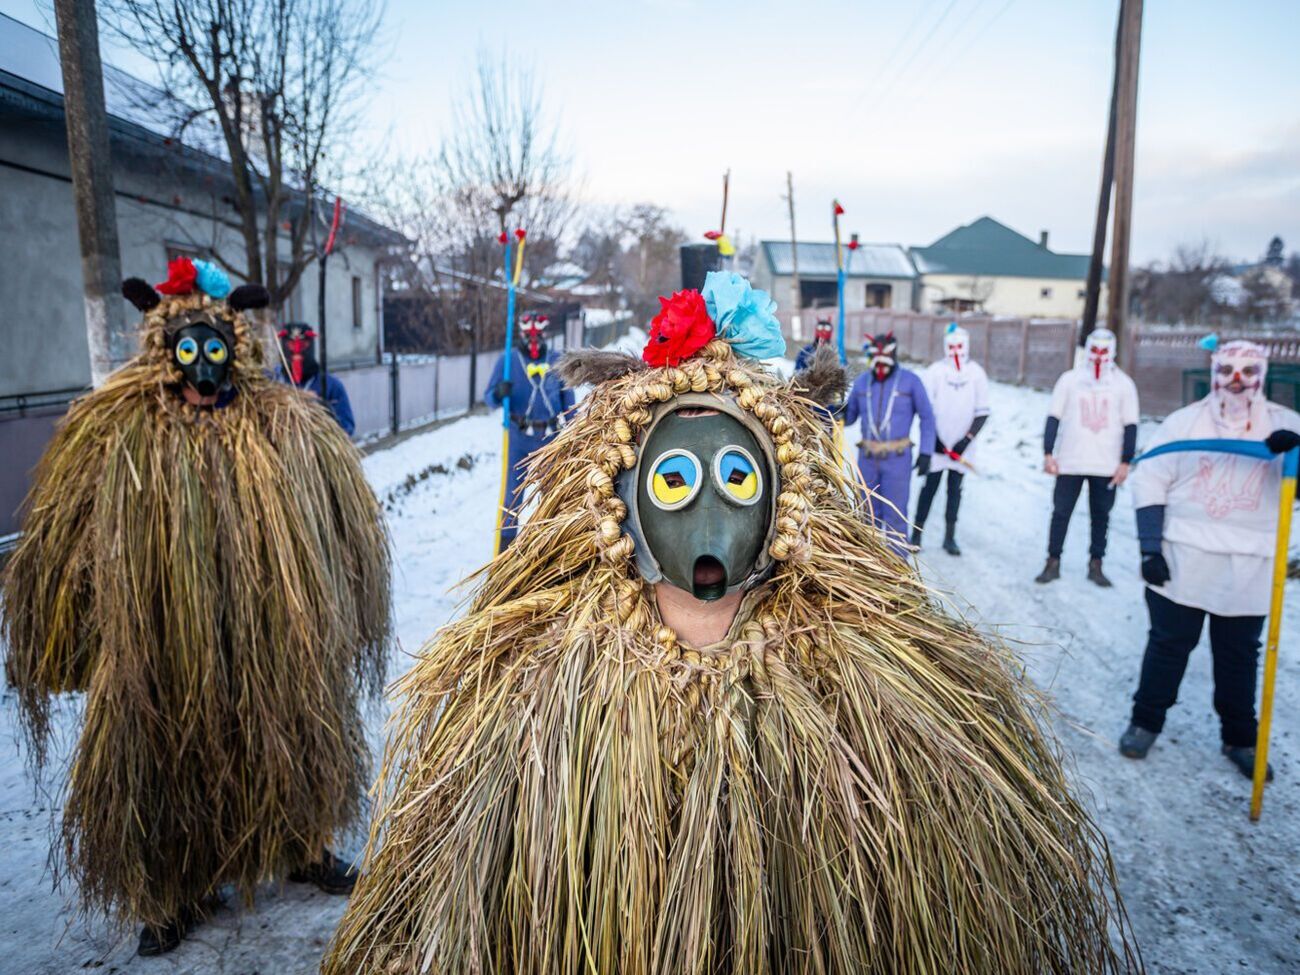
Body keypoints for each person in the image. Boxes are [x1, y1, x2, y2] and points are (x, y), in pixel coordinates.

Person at [323, 272, 1138, 975]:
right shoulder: (542, 682)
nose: (709, 521)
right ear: (624, 498)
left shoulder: (849, 673)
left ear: (783, 496)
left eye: (739, 478)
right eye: (674, 481)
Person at [1, 258, 391, 955]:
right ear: (166, 353)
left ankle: (300, 843)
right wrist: (76, 620)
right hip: (165, 641)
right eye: (188, 351)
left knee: (290, 732)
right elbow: (68, 535)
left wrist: (342, 600)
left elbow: (344, 517)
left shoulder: (285, 425)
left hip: (270, 630)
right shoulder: (122, 433)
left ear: (234, 349)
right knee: (171, 756)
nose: (203, 370)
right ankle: (176, 890)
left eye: (216, 349)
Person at [1119, 338, 1300, 779]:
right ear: (1214, 372)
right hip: (1183, 559)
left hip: (1251, 567)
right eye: (1227, 371)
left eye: (1247, 372)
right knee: (1167, 647)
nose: (1237, 381)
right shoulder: (1185, 423)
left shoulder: (1286, 424)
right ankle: (1145, 722)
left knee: (1239, 657)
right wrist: (1150, 547)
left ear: (1263, 374)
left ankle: (1240, 737)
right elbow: (1150, 481)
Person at [1035, 327, 1138, 586]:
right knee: (1061, 512)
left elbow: (1131, 425)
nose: (1099, 356)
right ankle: (1053, 561)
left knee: (1101, 515)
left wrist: (1126, 461)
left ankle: (1096, 563)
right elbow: (1054, 417)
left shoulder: (1123, 385)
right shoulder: (1069, 380)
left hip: (1106, 463)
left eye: (1105, 351)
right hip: (1070, 461)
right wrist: (1048, 453)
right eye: (1095, 350)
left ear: (1112, 352)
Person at [484, 313, 575, 551]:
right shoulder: (508, 361)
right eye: (529, 335)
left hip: (551, 437)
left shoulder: (557, 360)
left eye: (538, 335)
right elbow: (489, 398)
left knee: (554, 491)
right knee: (512, 495)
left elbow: (570, 402)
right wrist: (498, 393)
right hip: (519, 437)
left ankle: (552, 545)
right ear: (522, 334)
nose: (534, 340)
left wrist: (576, 430)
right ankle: (505, 548)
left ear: (546, 334)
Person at [844, 331, 935, 550]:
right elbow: (849, 417)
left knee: (895, 517)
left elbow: (927, 416)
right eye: (876, 355)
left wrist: (926, 452)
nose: (881, 361)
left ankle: (896, 572)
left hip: (897, 460)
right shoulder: (862, 382)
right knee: (866, 516)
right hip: (866, 460)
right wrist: (834, 408)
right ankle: (868, 568)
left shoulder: (910, 381)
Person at [912, 323, 990, 555]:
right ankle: (916, 534)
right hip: (937, 445)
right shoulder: (935, 371)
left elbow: (982, 412)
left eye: (960, 346)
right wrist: (933, 440)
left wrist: (965, 441)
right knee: (929, 489)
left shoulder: (976, 373)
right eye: (952, 346)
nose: (956, 350)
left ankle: (950, 537)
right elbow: (925, 408)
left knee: (955, 491)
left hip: (962, 449)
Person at [273, 321, 356, 435]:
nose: (297, 351)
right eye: (291, 345)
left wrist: (327, 413)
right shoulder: (272, 381)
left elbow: (348, 428)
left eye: (303, 345)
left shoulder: (331, 385)